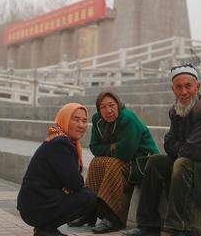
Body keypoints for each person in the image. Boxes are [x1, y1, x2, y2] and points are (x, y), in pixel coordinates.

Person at [123, 64, 201, 236]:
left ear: (197, 86)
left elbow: (192, 151)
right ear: (172, 89)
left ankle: (177, 228)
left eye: (188, 86)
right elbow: (169, 144)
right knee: (155, 161)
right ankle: (148, 224)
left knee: (182, 163)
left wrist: (180, 146)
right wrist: (182, 147)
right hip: (199, 162)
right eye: (178, 87)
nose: (183, 92)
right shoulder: (175, 110)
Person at [68, 90, 159, 233]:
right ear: (99, 109)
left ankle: (114, 218)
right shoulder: (97, 120)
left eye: (111, 105)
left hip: (142, 163)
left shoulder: (128, 119)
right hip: (122, 160)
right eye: (103, 107)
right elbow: (94, 147)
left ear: (118, 105)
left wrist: (110, 149)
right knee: (96, 162)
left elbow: (125, 153)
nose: (108, 110)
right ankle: (89, 211)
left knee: (114, 164)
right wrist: (112, 146)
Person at [17, 103, 96, 236]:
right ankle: (45, 229)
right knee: (88, 198)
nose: (81, 125)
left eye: (84, 121)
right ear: (64, 119)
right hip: (36, 206)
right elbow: (75, 183)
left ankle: (46, 229)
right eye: (76, 120)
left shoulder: (58, 138)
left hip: (34, 203)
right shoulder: (61, 144)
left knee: (84, 194)